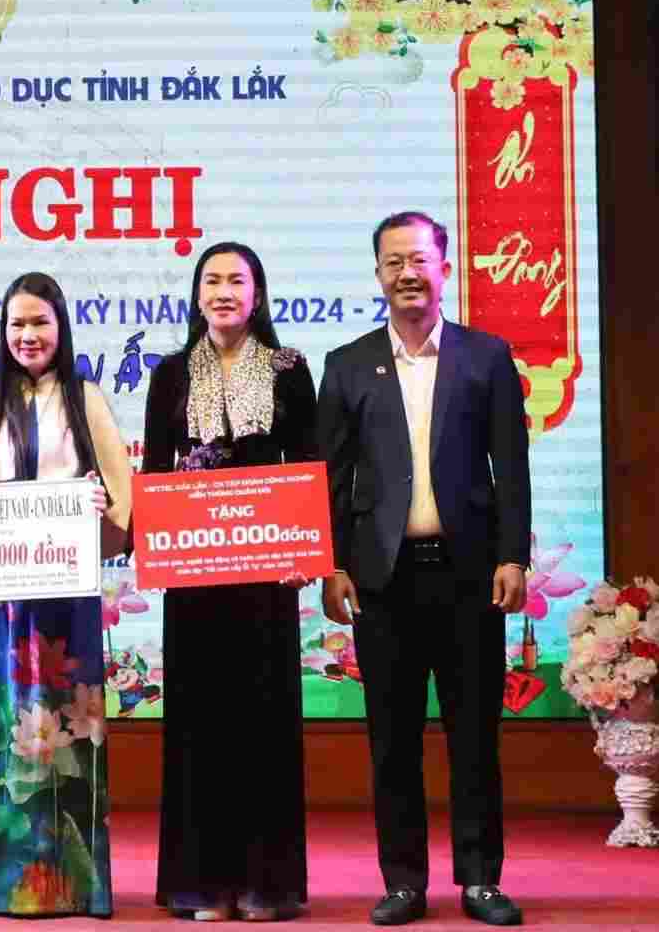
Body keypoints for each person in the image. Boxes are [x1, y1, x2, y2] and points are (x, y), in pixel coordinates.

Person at [318, 212, 530, 927]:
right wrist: (332, 566)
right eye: (393, 262)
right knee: (392, 741)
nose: (407, 273)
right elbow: (331, 477)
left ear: (445, 267)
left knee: (474, 738)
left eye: (419, 259)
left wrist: (513, 556)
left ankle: (481, 880)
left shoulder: (487, 356)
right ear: (378, 274)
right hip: (384, 580)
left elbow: (512, 466)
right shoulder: (347, 364)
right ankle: (403, 881)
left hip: (470, 575)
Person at [141, 242, 316, 922]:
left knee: (263, 723)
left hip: (266, 577)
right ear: (196, 295)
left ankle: (265, 884)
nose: (223, 292)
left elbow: (309, 464)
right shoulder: (169, 375)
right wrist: (159, 549)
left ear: (257, 293)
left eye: (236, 281)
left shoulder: (289, 369)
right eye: (211, 280)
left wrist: (308, 549)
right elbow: (157, 473)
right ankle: (201, 882)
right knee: (200, 724)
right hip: (196, 577)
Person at [0, 272, 131, 919]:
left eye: (40, 323)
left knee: (71, 733)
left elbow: (120, 501)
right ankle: (7, 885)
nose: (28, 336)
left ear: (62, 327)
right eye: (17, 325)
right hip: (4, 600)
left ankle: (79, 886)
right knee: (8, 734)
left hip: (68, 599)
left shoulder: (87, 399)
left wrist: (99, 504)